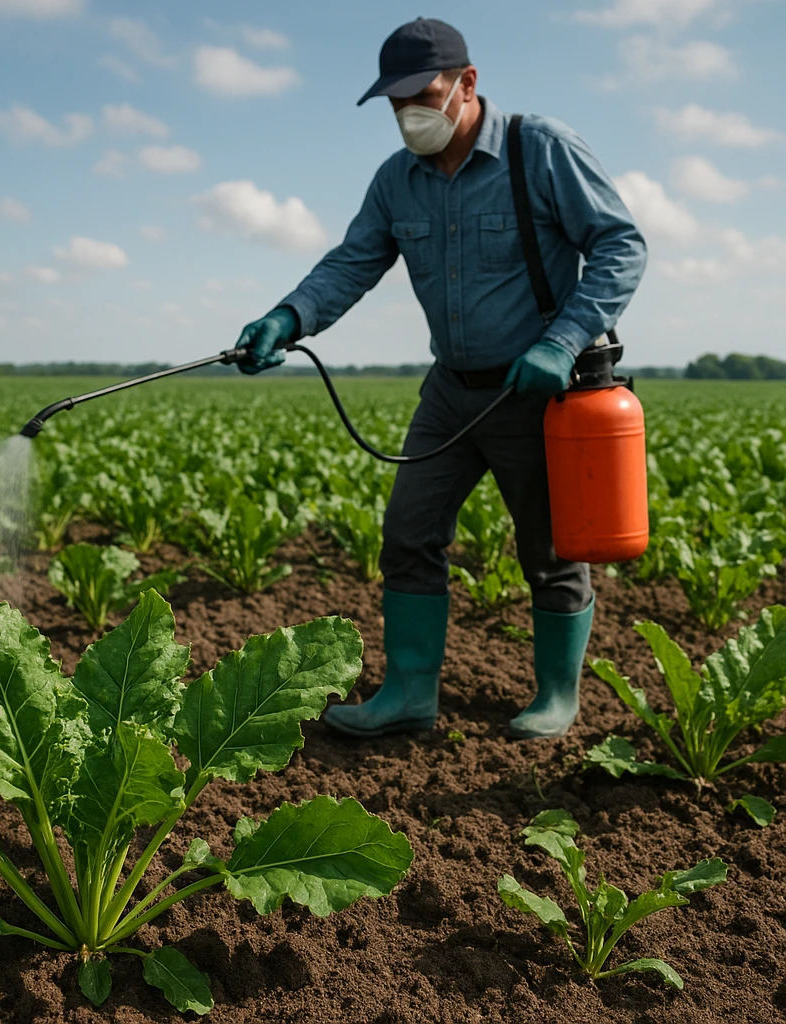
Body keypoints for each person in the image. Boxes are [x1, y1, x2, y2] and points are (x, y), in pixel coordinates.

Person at [233, 18, 647, 740]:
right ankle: (409, 693)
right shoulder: (399, 180)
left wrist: (564, 339)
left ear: (467, 82)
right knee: (408, 534)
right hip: (452, 390)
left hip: (539, 393)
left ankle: (556, 694)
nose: (409, 116)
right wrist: (288, 317)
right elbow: (352, 262)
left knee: (549, 550)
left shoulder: (538, 148)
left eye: (421, 96)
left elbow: (621, 243)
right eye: (394, 105)